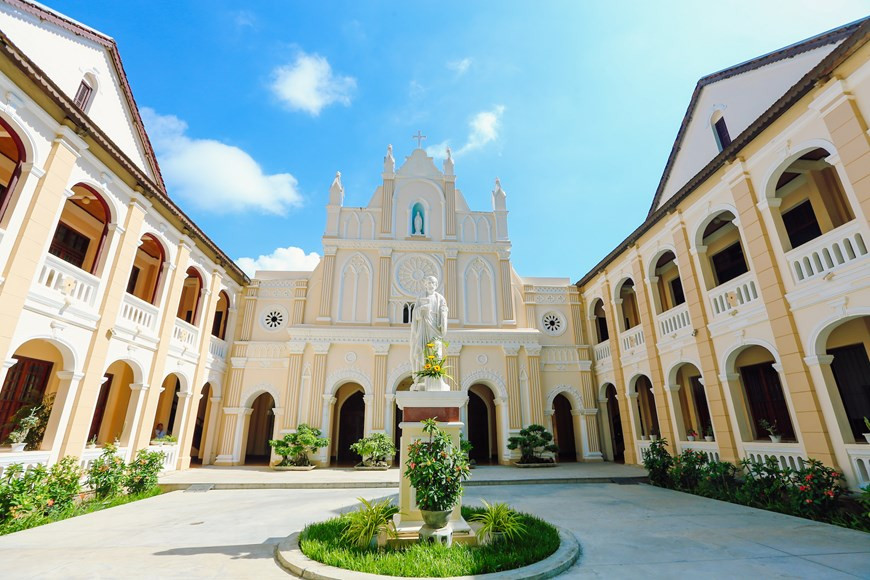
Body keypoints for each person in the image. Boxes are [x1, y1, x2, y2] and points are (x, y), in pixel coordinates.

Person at [410, 275, 448, 390]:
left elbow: (444, 311)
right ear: (425, 285)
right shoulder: (420, 297)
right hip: (423, 328)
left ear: (436, 285)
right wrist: (420, 310)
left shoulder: (440, 298)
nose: (430, 285)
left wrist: (443, 314)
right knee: (423, 351)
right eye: (428, 283)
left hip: (435, 328)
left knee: (436, 350)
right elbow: (414, 315)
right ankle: (422, 378)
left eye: (432, 283)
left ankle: (436, 376)